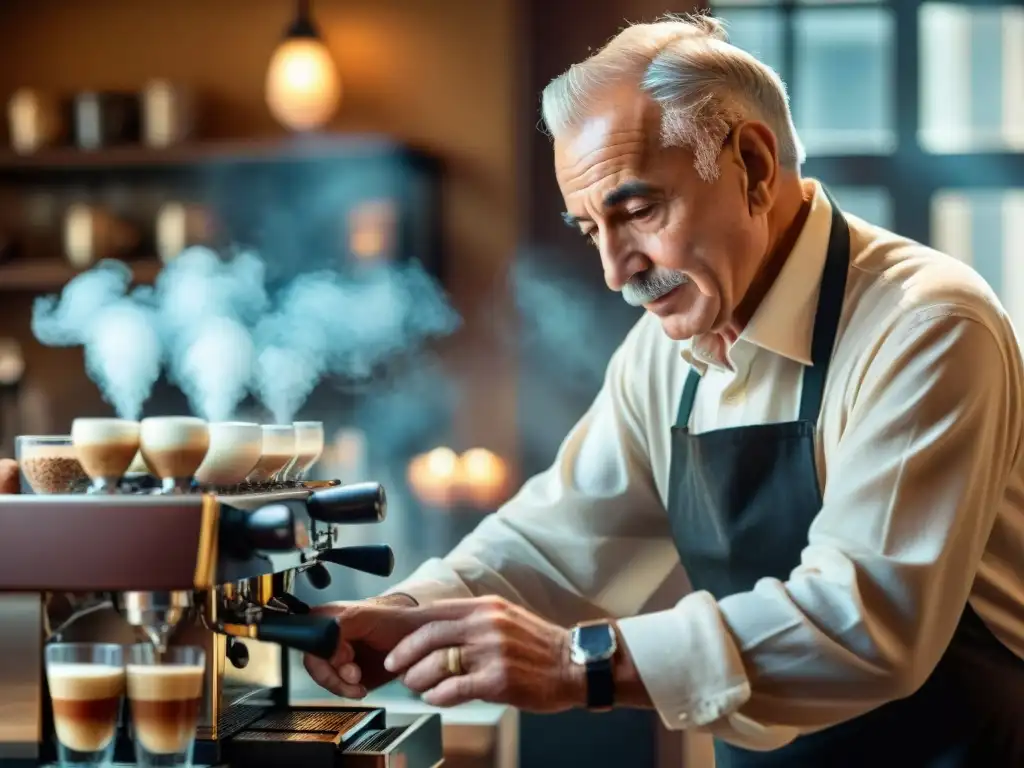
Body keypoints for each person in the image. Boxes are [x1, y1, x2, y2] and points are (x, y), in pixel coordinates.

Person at [301, 13, 1024, 767]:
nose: (616, 270)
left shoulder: (928, 325)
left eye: (638, 211)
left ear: (750, 164)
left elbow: (866, 621)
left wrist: (572, 663)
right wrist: (410, 612)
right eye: (590, 230)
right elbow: (559, 544)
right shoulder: (666, 351)